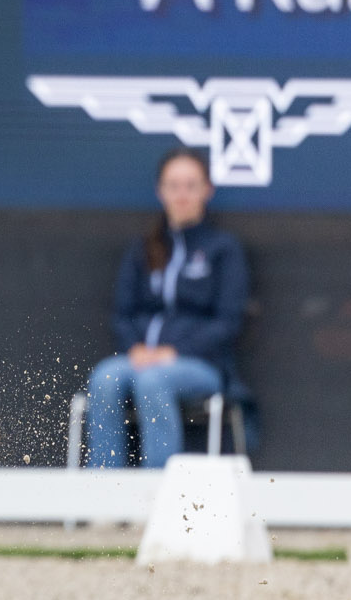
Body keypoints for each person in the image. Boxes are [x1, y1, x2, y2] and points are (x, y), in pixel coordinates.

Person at [85, 147, 248, 467]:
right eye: (173, 185)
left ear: (207, 190)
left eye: (191, 185)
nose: (182, 194)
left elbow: (227, 323)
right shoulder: (143, 248)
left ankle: (156, 495)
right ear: (160, 192)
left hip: (201, 366)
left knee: (153, 381)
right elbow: (122, 313)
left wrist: (173, 352)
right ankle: (101, 500)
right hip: (141, 358)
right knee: (105, 378)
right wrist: (134, 347)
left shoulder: (223, 249)